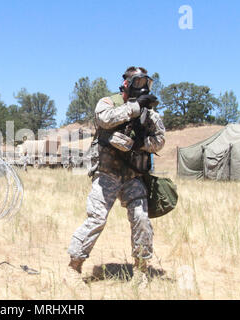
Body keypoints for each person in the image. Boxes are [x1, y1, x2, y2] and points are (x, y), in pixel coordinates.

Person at [66, 66, 166, 288]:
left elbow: (160, 140)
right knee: (96, 218)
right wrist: (133, 108)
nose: (142, 88)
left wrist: (141, 143)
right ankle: (73, 268)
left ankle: (141, 271)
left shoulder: (150, 114)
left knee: (141, 219)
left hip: (133, 175)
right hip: (107, 174)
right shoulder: (109, 103)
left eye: (146, 84)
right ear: (125, 84)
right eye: (138, 83)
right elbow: (104, 120)